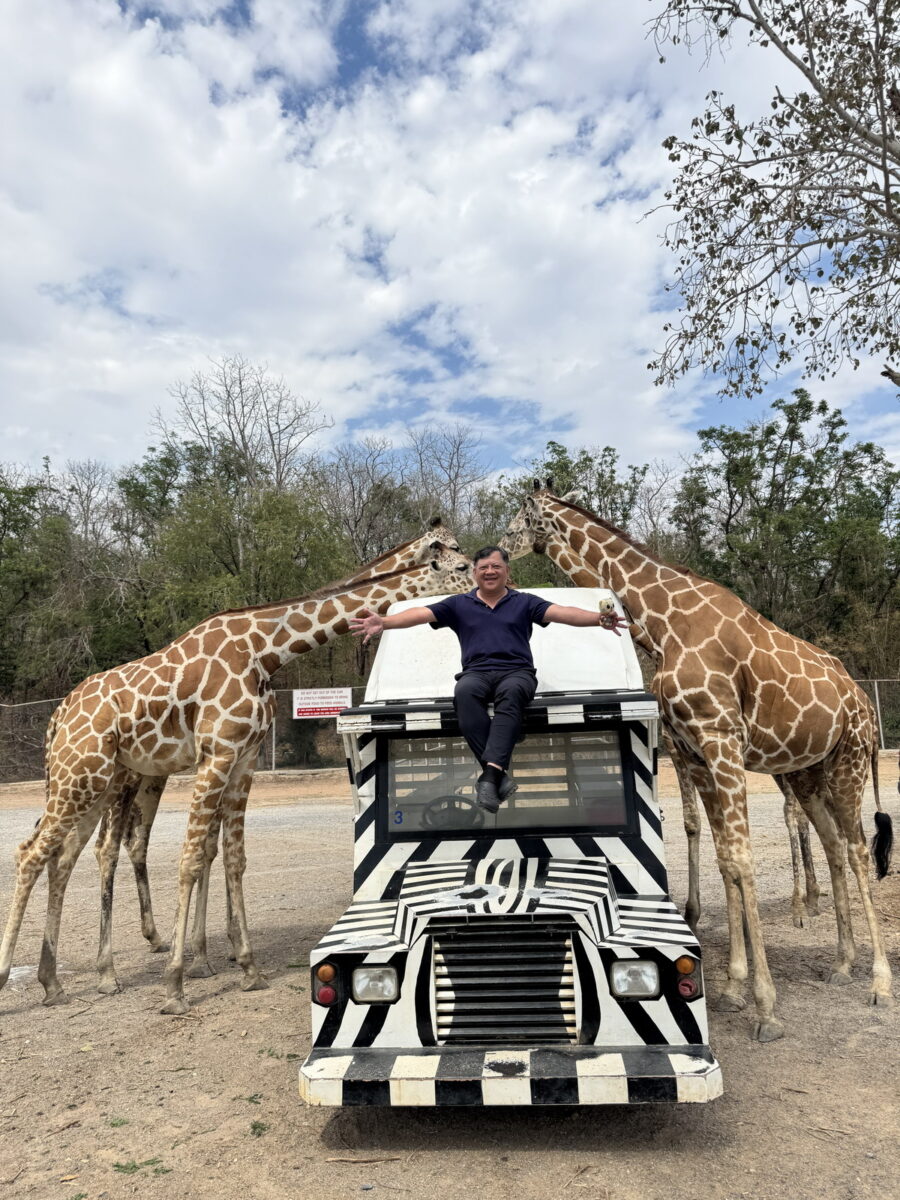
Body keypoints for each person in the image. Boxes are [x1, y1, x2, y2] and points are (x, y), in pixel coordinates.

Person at [349, 545, 629, 813]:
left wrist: (598, 619)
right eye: (483, 567)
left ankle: (489, 775)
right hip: (476, 673)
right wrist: (383, 622)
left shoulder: (524, 602)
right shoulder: (459, 603)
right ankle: (496, 776)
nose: (490, 571)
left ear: (507, 571)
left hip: (517, 672)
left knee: (512, 693)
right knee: (464, 693)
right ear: (474, 573)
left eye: (496, 566)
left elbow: (563, 613)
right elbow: (420, 614)